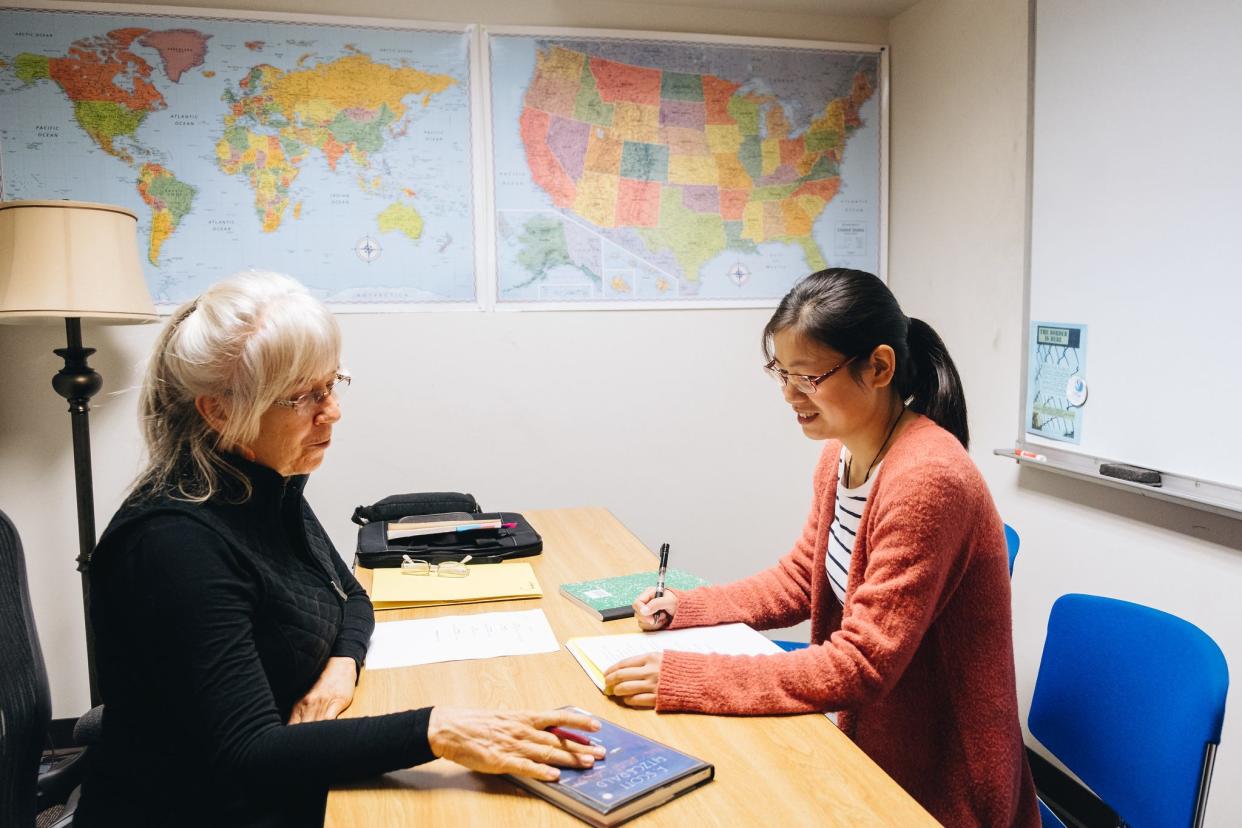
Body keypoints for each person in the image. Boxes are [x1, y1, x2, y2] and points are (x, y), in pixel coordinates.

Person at [77, 271, 603, 828]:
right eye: (302, 397)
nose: (331, 412)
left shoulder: (261, 481)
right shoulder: (174, 545)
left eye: (332, 384)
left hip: (291, 777)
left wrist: (342, 664)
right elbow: (246, 754)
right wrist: (436, 728)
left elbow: (349, 592)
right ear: (220, 411)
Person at [603, 269, 1039, 827]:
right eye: (780, 373)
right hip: (872, 746)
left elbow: (861, 664)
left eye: (807, 377)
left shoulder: (928, 479)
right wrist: (687, 609)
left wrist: (687, 678)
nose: (789, 395)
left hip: (941, 786)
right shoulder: (840, 456)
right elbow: (801, 577)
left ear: (878, 367)